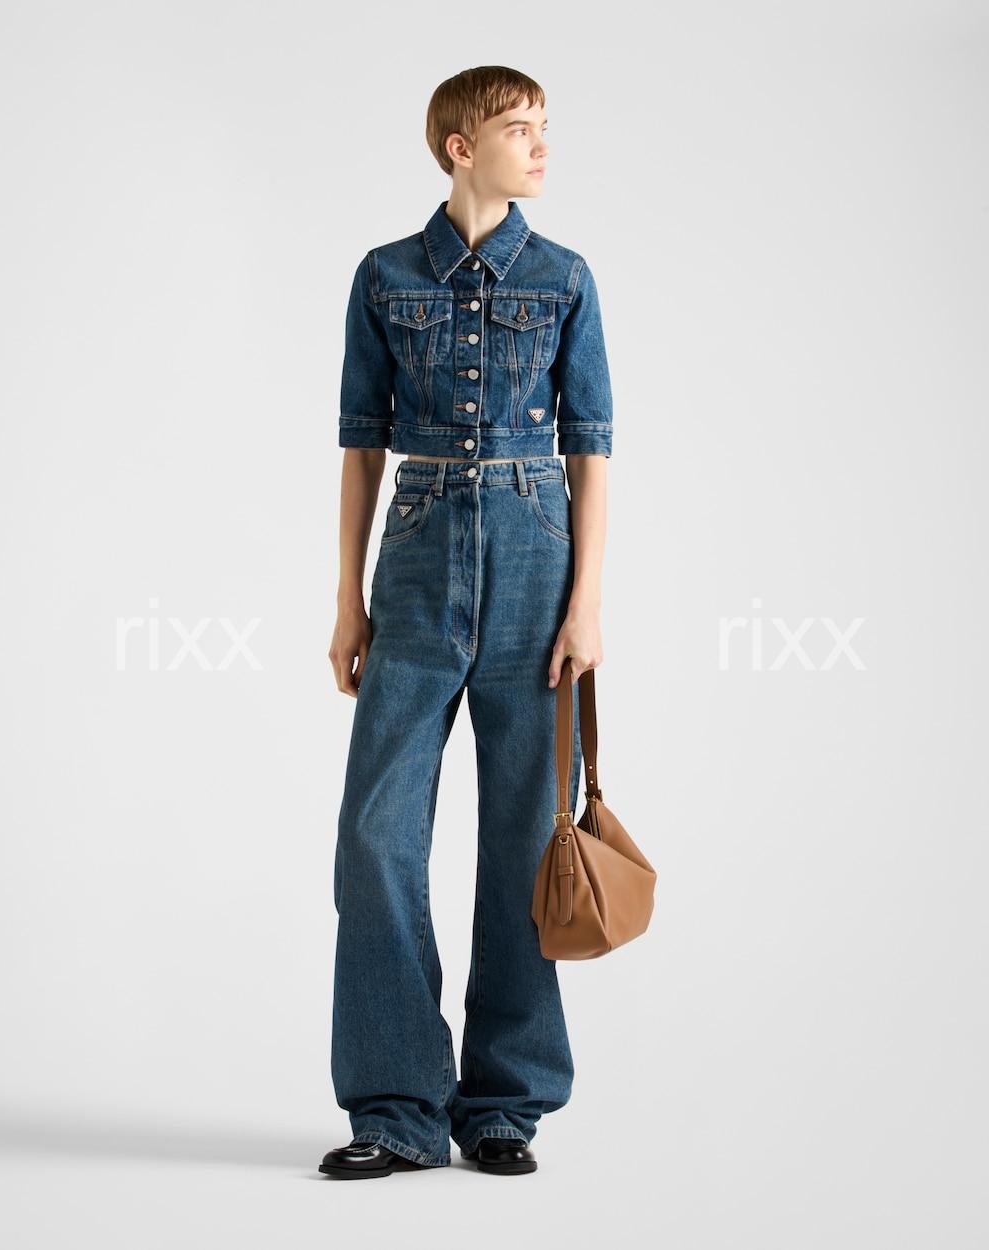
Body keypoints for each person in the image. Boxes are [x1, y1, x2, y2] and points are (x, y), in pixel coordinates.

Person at [320, 65, 614, 1180]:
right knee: (376, 831)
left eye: (543, 127)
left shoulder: (566, 277)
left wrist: (587, 603)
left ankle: (502, 1103)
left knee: (524, 831)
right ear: (459, 145)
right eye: (520, 128)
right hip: (416, 550)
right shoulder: (384, 275)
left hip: (538, 554)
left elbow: (591, 450)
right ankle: (396, 1104)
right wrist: (345, 596)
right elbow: (361, 444)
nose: (541, 146)